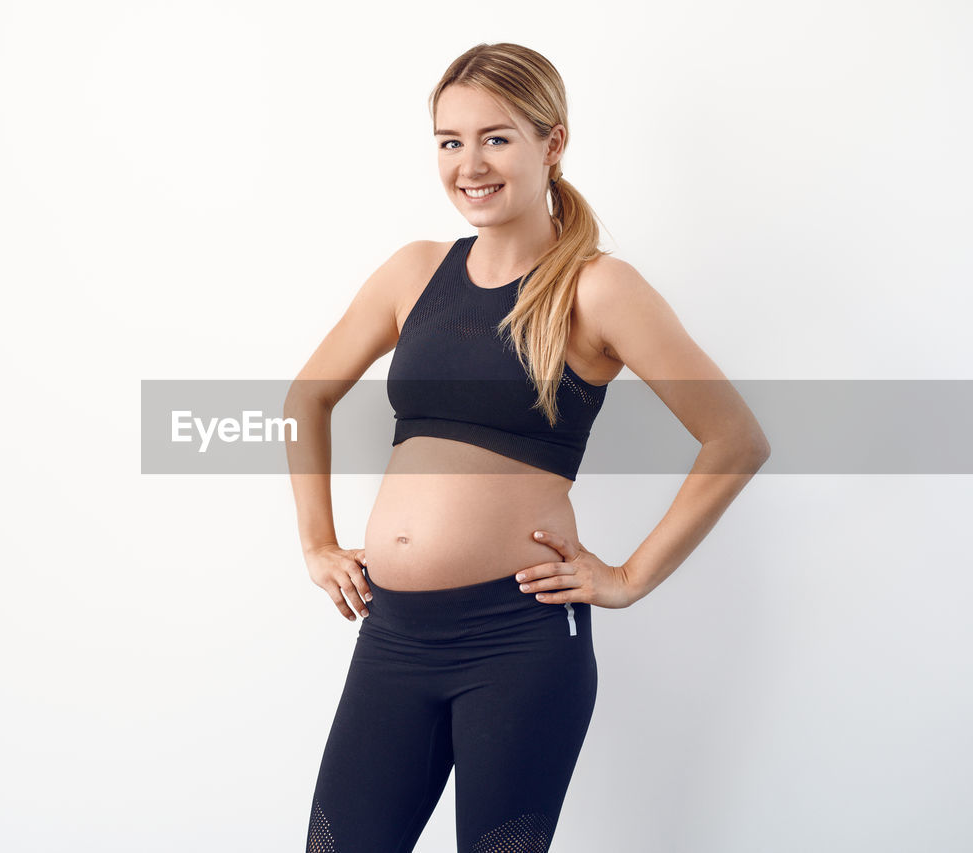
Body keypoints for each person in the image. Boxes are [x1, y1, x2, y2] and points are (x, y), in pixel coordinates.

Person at [284, 42, 769, 853]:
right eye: (449, 140)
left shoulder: (598, 288)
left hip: (518, 640)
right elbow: (308, 394)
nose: (469, 163)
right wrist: (316, 542)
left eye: (496, 137)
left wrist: (628, 577)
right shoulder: (414, 272)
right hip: (393, 634)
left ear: (553, 143)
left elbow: (736, 439)